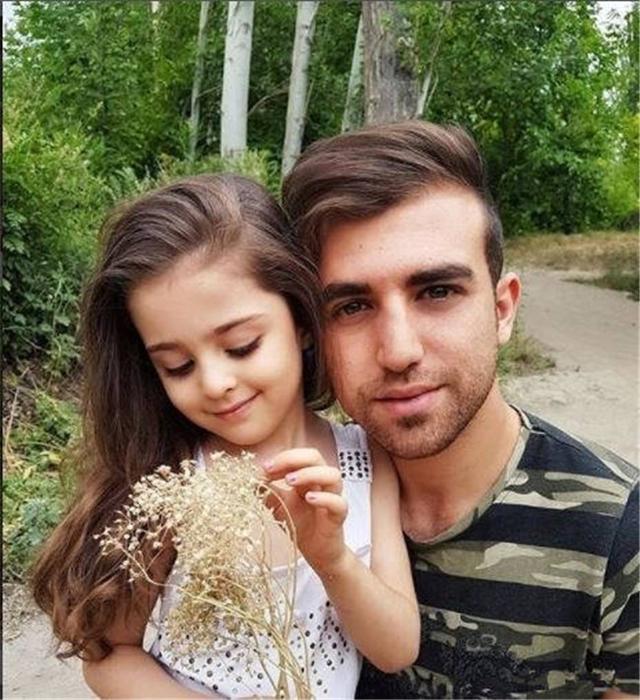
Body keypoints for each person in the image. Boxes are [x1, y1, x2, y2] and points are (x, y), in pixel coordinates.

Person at [282, 120, 639, 699]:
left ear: (502, 310)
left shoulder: (621, 534)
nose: (399, 351)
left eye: (437, 292)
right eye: (351, 307)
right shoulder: (292, 501)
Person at [30, 174, 420, 698]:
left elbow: (396, 649)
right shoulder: (171, 482)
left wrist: (333, 560)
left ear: (302, 321)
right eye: (178, 365)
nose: (215, 383)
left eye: (241, 346)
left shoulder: (364, 461)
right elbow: (108, 657)